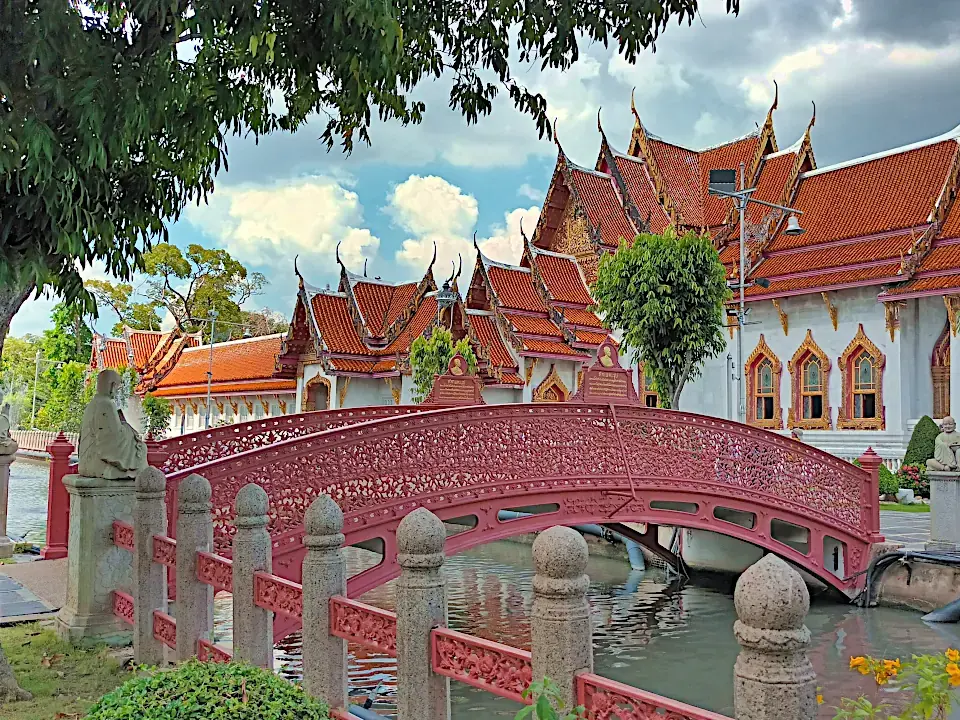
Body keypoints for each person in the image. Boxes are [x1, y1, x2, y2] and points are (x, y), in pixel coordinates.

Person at [78, 369, 147, 479]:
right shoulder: (106, 404)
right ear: (112, 386)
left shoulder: (92, 404)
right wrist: (129, 430)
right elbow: (113, 439)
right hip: (97, 465)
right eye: (117, 389)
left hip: (86, 462)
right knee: (141, 447)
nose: (117, 392)